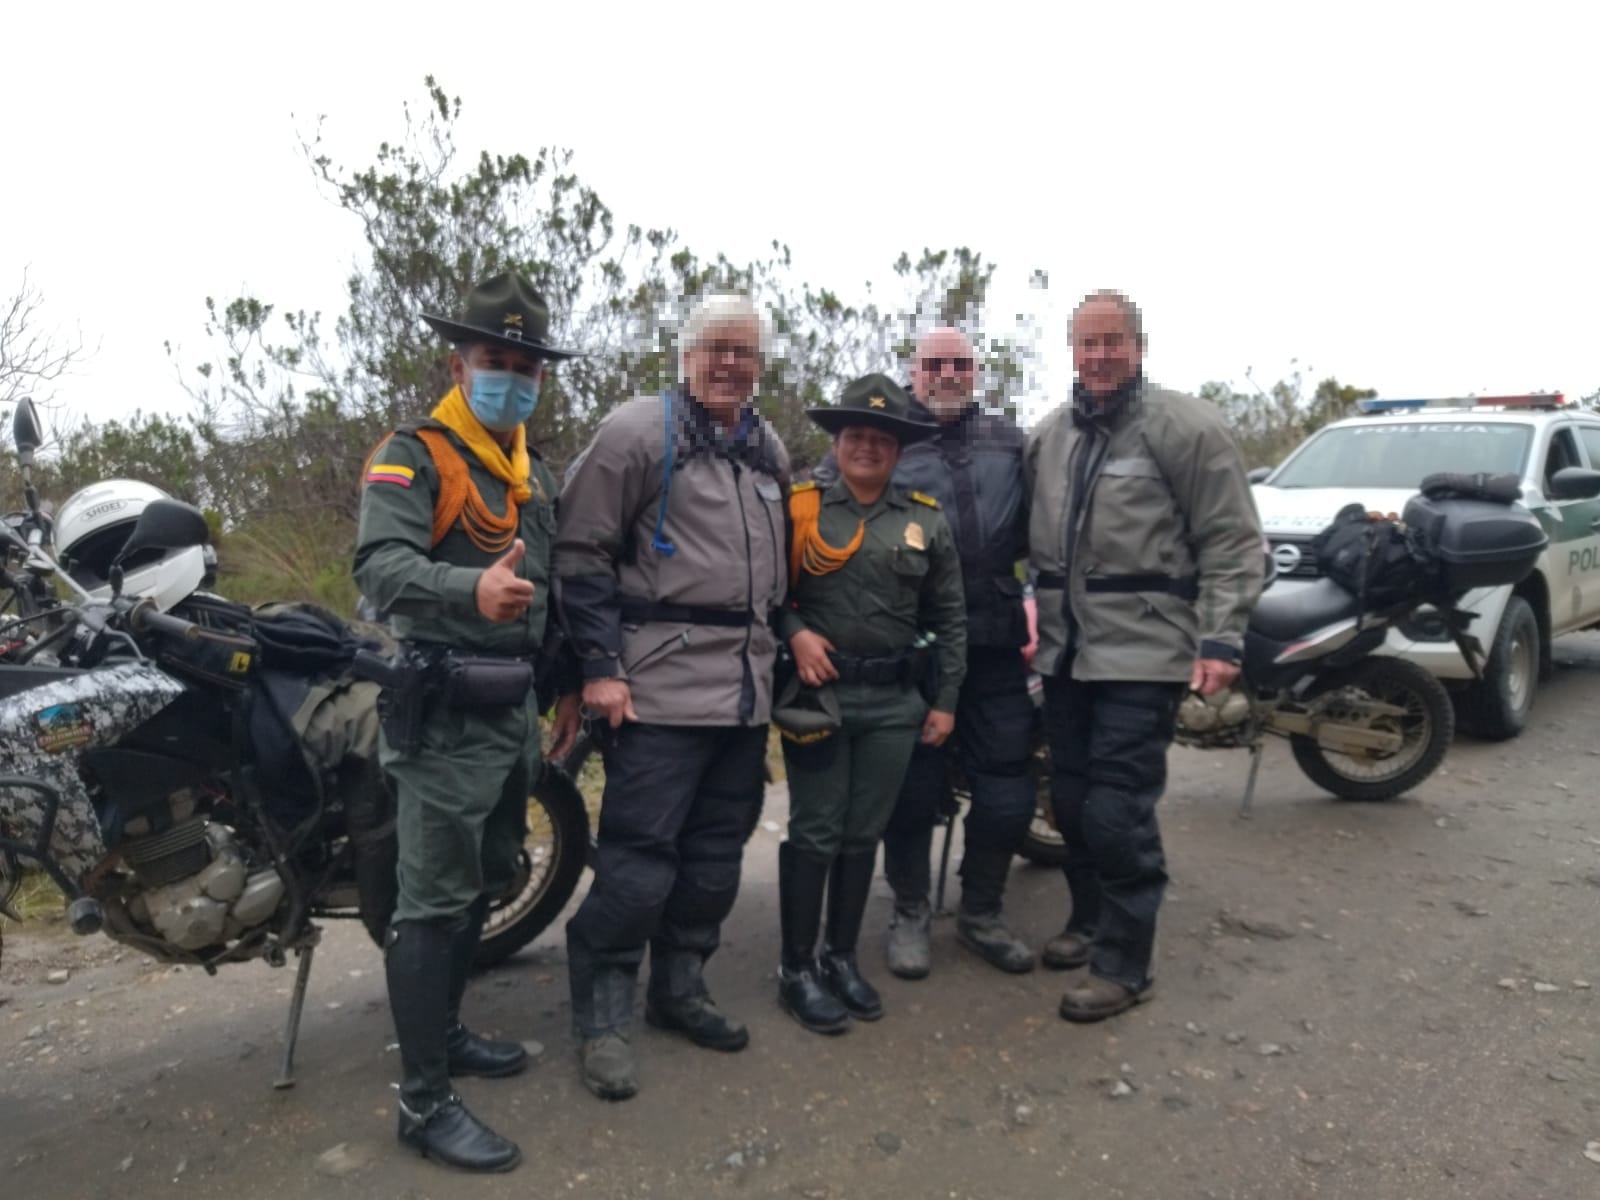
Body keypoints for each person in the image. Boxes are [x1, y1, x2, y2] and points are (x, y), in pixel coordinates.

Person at [354, 272, 583, 1172]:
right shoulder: (413, 454)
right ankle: (422, 1102)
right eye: (497, 359)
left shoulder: (538, 476)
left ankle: (446, 1037)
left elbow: (551, 598)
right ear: (459, 363)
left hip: (510, 718)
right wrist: (468, 588)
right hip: (443, 717)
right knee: (433, 902)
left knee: (489, 879)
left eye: (527, 365)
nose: (513, 377)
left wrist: (563, 681)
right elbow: (377, 568)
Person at [553, 293, 789, 1100]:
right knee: (638, 862)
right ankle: (604, 1015)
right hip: (654, 691)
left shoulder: (767, 448)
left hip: (742, 695)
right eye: (717, 348)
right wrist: (599, 667)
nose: (731, 364)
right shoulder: (634, 433)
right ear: (686, 356)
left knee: (716, 859)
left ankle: (679, 989)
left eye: (745, 352)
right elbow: (580, 556)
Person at [1026, 289, 1264, 1022]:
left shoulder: (1186, 428)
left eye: (1113, 342)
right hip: (1065, 653)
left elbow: (1232, 540)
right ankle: (1089, 919)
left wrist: (1221, 637)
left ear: (1139, 346)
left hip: (1145, 649)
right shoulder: (1049, 435)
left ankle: (1126, 966)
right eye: (1086, 343)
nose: (1099, 357)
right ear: (1071, 350)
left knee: (1116, 811)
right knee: (1068, 800)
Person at [815, 328, 1037, 978]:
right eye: (933, 363)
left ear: (976, 372)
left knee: (1007, 792)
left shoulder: (1010, 442)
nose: (946, 373)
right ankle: (910, 910)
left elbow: (1044, 528)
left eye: (959, 363)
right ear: (914, 372)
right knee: (910, 794)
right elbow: (824, 514)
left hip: (995, 644)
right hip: (910, 647)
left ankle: (982, 912)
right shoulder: (884, 435)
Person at [772, 373, 967, 1033]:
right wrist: (795, 634)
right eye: (856, 435)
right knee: (816, 830)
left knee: (862, 833)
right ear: (837, 440)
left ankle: (840, 957)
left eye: (882, 439)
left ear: (898, 449)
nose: (868, 448)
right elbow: (764, 597)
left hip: (893, 703)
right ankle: (795, 967)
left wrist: (943, 700)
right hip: (819, 699)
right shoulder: (798, 507)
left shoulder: (923, 519)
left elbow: (951, 617)